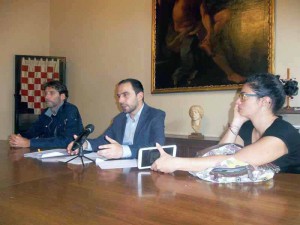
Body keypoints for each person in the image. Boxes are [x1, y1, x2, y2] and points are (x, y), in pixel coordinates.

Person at [151, 73, 300, 174]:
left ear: (265, 101)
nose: (237, 101)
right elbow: (218, 153)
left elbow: (233, 161)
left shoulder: (283, 133)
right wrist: (236, 121)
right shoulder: (248, 127)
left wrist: (176, 163)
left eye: (243, 96)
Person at [67, 78, 166, 159]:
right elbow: (103, 140)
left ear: (139, 96)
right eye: (118, 96)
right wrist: (85, 144)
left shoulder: (155, 116)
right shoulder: (119, 119)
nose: (120, 100)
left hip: (144, 174)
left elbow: (157, 147)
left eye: (125, 95)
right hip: (119, 171)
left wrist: (123, 151)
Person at [9, 80, 83, 149]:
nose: (46, 97)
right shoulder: (47, 112)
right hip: (49, 154)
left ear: (62, 96)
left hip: (69, 155)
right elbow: (34, 130)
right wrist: (19, 137)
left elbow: (67, 140)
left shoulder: (70, 110)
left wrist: (30, 143)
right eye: (46, 93)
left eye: (51, 93)